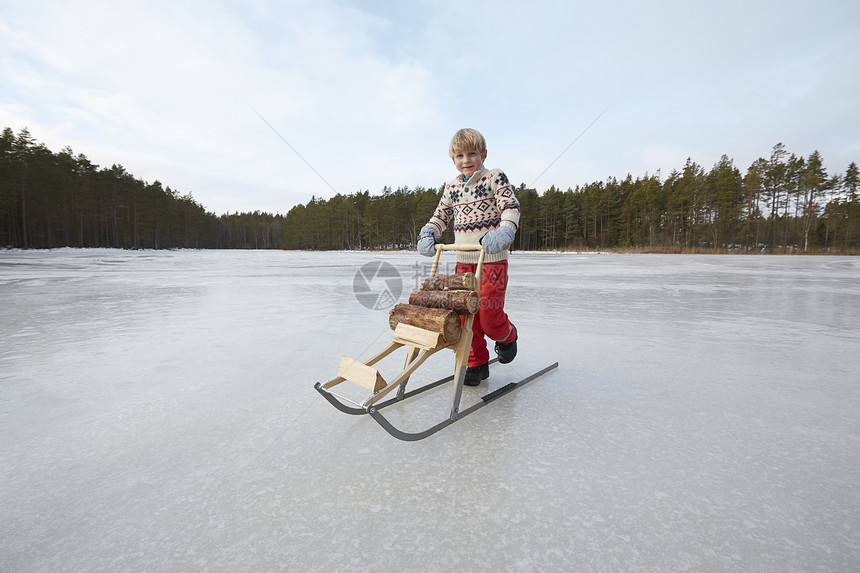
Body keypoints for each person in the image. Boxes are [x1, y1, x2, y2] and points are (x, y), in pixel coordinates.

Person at [417, 128, 520, 386]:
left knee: (488, 315)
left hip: (492, 260)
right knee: (465, 316)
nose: (466, 160)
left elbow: (510, 206)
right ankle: (476, 364)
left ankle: (507, 336)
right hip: (464, 261)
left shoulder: (494, 177)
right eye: (460, 155)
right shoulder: (451, 187)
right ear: (453, 159)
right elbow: (440, 216)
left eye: (472, 153)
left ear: (483, 154)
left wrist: (505, 230)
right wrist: (429, 231)